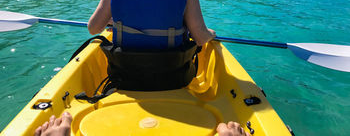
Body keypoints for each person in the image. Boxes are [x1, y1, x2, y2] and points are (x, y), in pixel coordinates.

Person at [34, 112, 250, 136]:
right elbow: (200, 35)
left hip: (124, 72)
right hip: (176, 74)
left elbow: (93, 28)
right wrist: (209, 35)